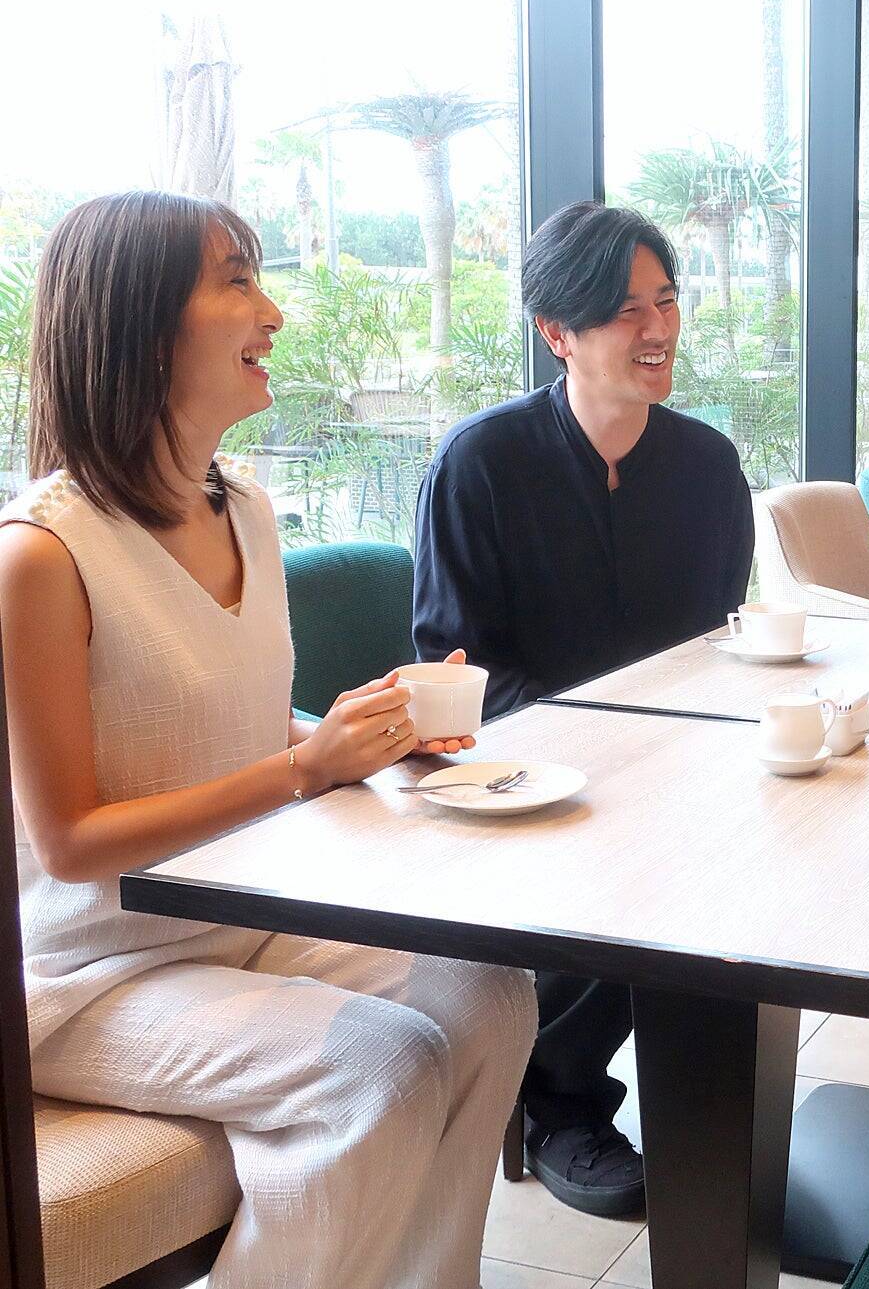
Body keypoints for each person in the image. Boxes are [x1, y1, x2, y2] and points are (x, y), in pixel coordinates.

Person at [0, 191, 535, 1288]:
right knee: (380, 1067)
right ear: (141, 323)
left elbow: (233, 732)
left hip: (242, 925)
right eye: (237, 280)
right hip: (91, 975)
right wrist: (304, 768)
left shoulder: (244, 505)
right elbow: (71, 843)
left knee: (491, 993)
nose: (273, 312)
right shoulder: (42, 557)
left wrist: (366, 737)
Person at [412, 200, 753, 1216]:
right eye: (624, 311)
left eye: (667, 301)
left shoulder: (707, 468)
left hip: (674, 768)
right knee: (647, 846)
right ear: (557, 333)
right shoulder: (480, 463)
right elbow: (455, 669)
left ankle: (718, 1100)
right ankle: (556, 1100)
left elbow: (717, 645)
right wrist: (610, 746)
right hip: (514, 771)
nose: (657, 329)